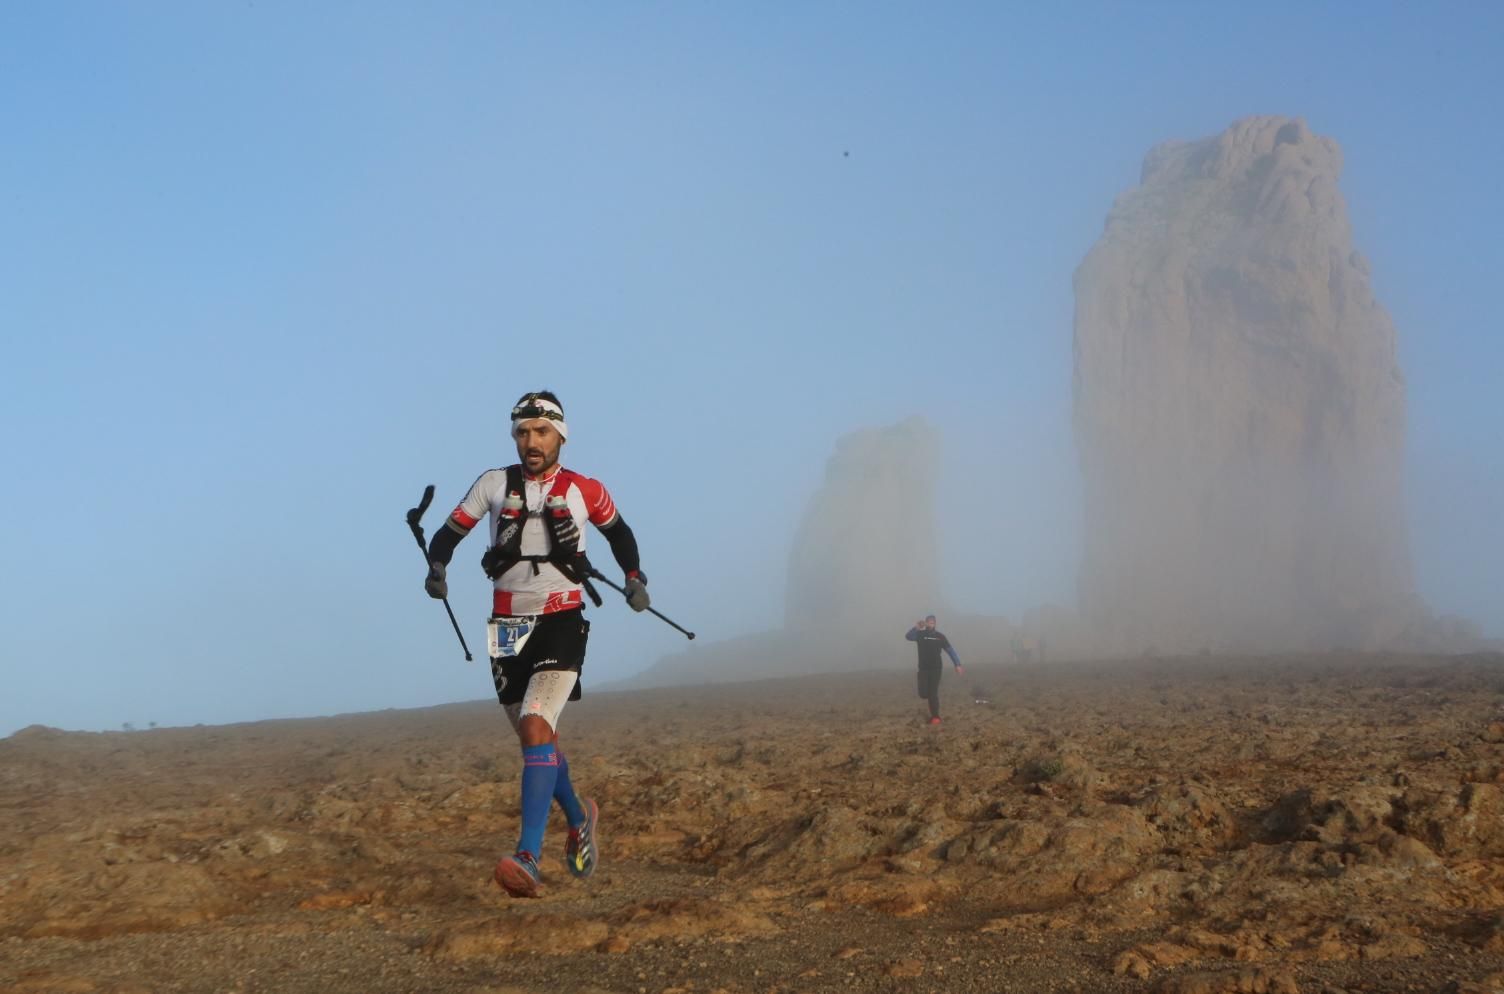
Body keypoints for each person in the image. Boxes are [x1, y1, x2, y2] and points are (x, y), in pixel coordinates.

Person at [422, 390, 651, 898]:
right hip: (506, 628)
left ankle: (528, 855)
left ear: (560, 436)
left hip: (562, 620)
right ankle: (579, 817)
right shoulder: (493, 484)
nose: (531, 441)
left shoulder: (584, 489)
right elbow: (448, 533)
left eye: (541, 432)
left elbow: (620, 533)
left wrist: (634, 577)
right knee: (537, 742)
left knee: (533, 727)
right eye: (523, 432)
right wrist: (436, 568)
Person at [905, 614, 963, 725]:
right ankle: (929, 701)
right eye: (929, 621)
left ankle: (936, 717)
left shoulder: (940, 636)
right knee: (923, 694)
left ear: (935, 623)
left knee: (933, 693)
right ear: (926, 623)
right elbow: (908, 636)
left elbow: (950, 650)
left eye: (933, 622)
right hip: (923, 669)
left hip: (936, 669)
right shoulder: (920, 634)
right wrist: (916, 627)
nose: (931, 623)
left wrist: (957, 664)